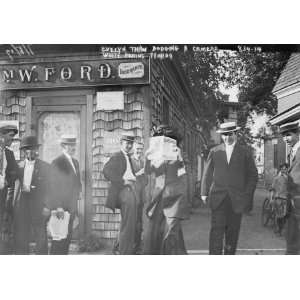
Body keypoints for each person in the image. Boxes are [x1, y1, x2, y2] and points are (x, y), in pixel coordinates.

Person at [201, 121, 258, 255]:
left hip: (236, 200)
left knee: (232, 234)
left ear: (236, 134)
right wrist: (204, 192)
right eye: (224, 135)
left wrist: (247, 195)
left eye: (230, 134)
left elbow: (253, 176)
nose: (227, 137)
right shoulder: (215, 151)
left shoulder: (245, 152)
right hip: (218, 199)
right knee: (216, 232)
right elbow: (207, 173)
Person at [142, 125, 189, 255]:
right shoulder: (157, 155)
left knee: (171, 231)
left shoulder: (179, 154)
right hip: (158, 198)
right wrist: (147, 157)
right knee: (153, 232)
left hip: (174, 198)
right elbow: (148, 171)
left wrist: (180, 160)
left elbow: (183, 175)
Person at [103, 134, 140, 255]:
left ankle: (122, 249)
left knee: (130, 223)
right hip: (124, 192)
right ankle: (125, 252)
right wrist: (123, 181)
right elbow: (106, 172)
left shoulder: (127, 157)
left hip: (131, 190)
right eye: (126, 143)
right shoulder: (117, 156)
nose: (129, 145)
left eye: (131, 143)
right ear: (121, 143)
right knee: (128, 225)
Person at [13, 135, 50, 254]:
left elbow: (50, 189)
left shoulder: (45, 167)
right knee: (22, 236)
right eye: (28, 149)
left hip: (38, 206)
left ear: (37, 150)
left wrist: (47, 206)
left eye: (34, 149)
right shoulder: (18, 167)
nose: (31, 152)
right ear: (23, 151)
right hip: (22, 205)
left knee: (40, 236)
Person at [47, 135, 82, 255]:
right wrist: (58, 206)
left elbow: (77, 182)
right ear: (63, 146)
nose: (73, 147)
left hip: (71, 206)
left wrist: (78, 193)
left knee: (67, 237)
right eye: (70, 145)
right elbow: (53, 187)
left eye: (74, 145)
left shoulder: (75, 162)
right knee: (59, 238)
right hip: (61, 207)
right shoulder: (57, 162)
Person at [279, 121, 300, 254]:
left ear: (298, 134)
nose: (285, 138)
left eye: (288, 135)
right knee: (291, 237)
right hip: (291, 203)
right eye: (284, 136)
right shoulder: (291, 153)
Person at [0, 123, 19, 254]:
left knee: (5, 223)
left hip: (5, 195)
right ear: (1, 135)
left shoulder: (9, 154)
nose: (12, 140)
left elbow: (15, 173)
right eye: (10, 136)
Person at [131, 142, 148, 253]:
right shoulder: (129, 161)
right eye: (137, 149)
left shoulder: (142, 162)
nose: (139, 151)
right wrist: (138, 173)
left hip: (140, 196)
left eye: (141, 149)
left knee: (139, 223)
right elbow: (127, 177)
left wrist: (144, 175)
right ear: (133, 149)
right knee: (131, 222)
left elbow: (146, 181)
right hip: (132, 196)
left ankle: (137, 246)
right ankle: (122, 246)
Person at [269, 163, 289, 236]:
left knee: (285, 215)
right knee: (279, 215)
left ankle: (281, 228)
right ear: (280, 169)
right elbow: (272, 189)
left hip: (286, 199)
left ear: (287, 169)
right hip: (278, 198)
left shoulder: (289, 178)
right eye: (282, 169)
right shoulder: (276, 178)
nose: (284, 170)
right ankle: (278, 229)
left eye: (285, 169)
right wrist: (271, 198)